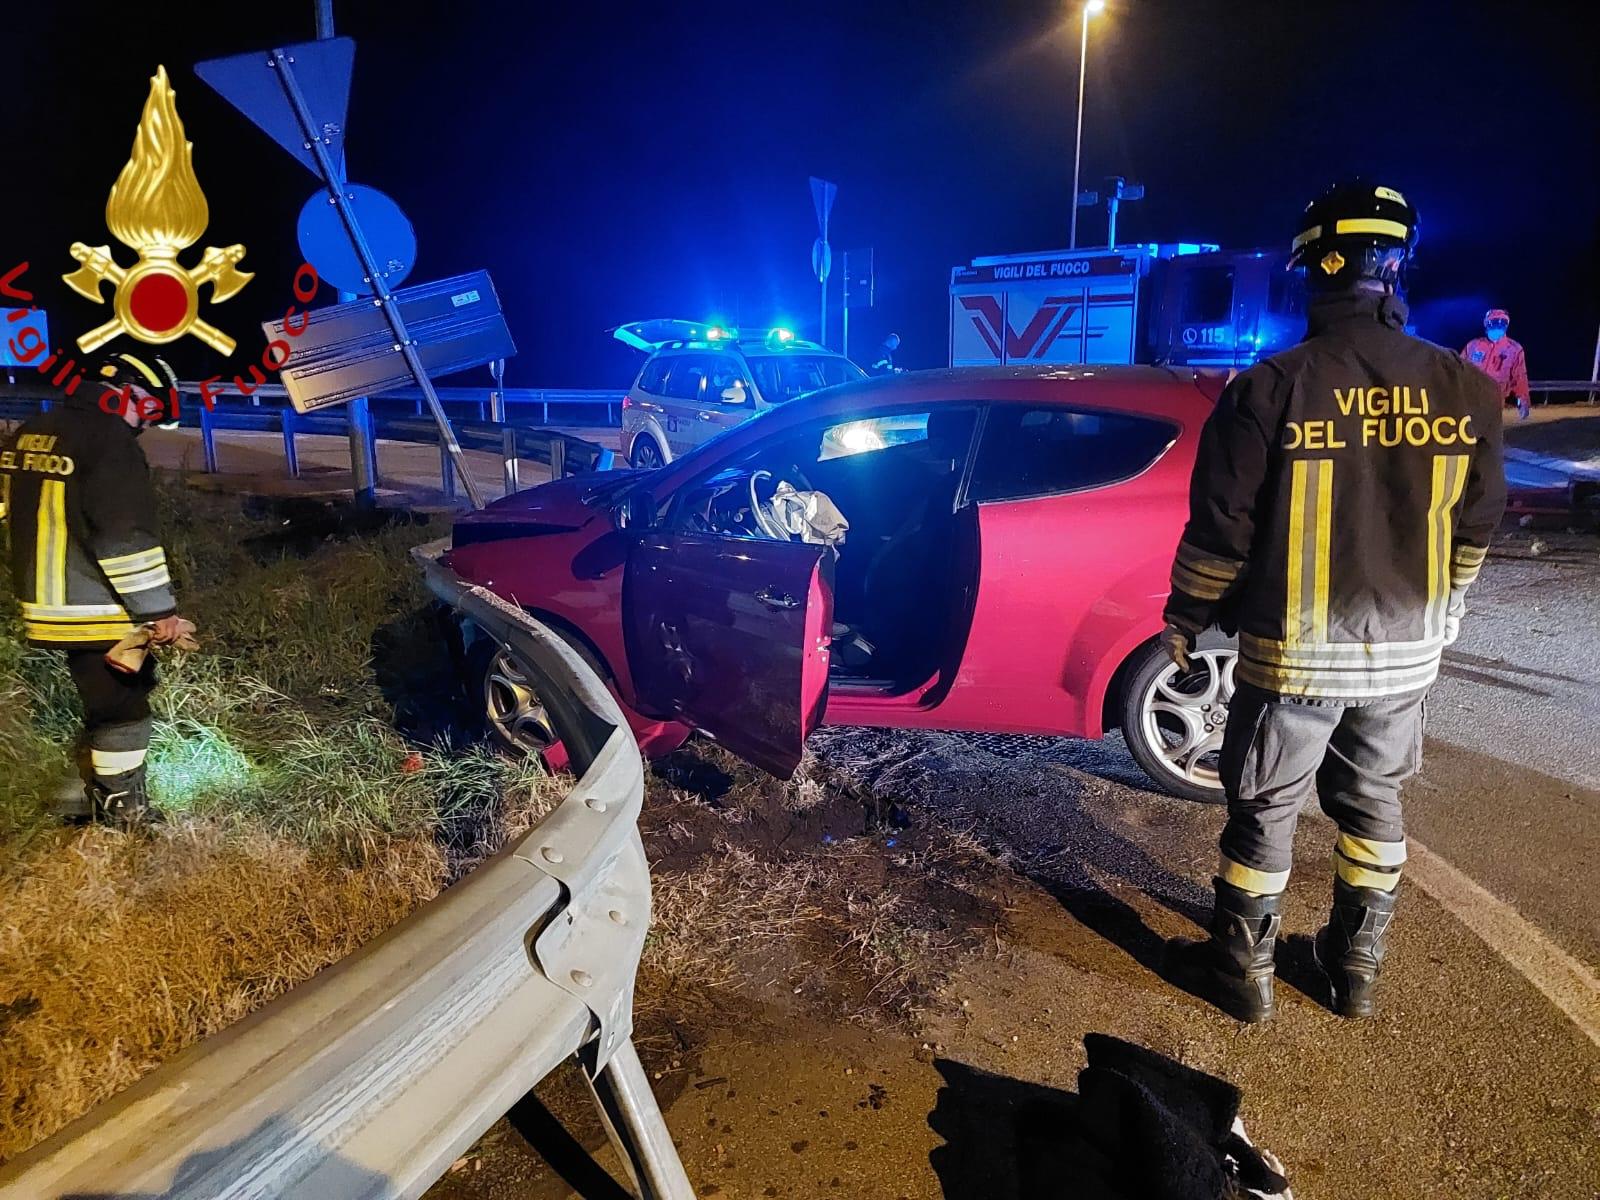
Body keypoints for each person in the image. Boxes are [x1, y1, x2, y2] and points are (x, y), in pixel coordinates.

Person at [1160, 181, 1506, 1023]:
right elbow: (1477, 524)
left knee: (1267, 807)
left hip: (1293, 656)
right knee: (1375, 805)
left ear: (1314, 270)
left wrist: (1186, 616)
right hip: (1405, 655)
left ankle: (1242, 977)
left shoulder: (1271, 387)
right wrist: (1448, 607)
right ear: (1398, 269)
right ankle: (1354, 972)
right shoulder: (1466, 390)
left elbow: (1222, 529)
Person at [0, 354, 194, 828]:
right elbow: (123, 537)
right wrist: (159, 611)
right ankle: (121, 809)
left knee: (99, 697)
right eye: (147, 409)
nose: (143, 423)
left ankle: (80, 790)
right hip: (93, 603)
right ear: (126, 394)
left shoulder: (31, 430)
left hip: (42, 599)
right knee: (123, 705)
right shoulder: (110, 442)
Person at [1461, 308, 1531, 420]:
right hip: (1469, 398)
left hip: (1494, 401)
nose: (1497, 327)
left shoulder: (1514, 349)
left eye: (1501, 324)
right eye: (1493, 323)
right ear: (1486, 324)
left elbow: (1520, 377)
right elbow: (1459, 369)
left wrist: (1523, 400)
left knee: (1487, 432)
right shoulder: (1473, 345)